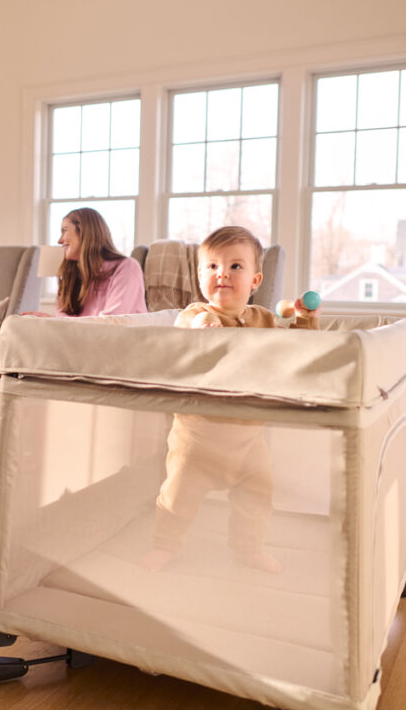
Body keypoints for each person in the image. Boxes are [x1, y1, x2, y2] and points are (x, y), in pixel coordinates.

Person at [142, 226, 320, 574]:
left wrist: (304, 320)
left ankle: (248, 549)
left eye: (235, 267)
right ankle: (164, 545)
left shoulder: (265, 320)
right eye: (211, 267)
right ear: (199, 277)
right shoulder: (194, 314)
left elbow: (296, 350)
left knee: (258, 498)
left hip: (248, 440)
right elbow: (190, 329)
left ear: (255, 281)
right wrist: (204, 327)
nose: (222, 273)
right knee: (177, 498)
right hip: (196, 440)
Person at [24, 207, 146, 318]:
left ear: (84, 233)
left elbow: (112, 324)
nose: (60, 240)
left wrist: (54, 322)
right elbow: (65, 327)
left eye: (65, 231)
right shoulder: (70, 275)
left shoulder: (127, 268)